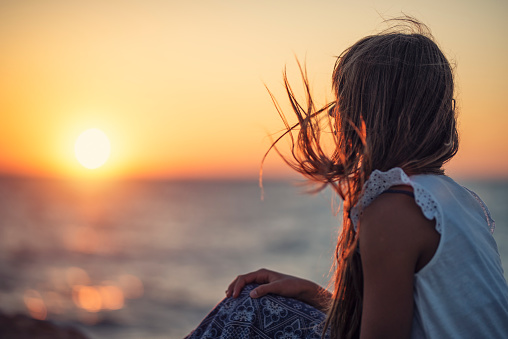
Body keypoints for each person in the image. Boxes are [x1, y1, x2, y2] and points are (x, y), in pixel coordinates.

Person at [185, 17, 508, 339]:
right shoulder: (456, 199)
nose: (334, 115)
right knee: (258, 300)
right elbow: (416, 321)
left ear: (364, 113)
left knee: (246, 307)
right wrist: (318, 296)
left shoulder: (396, 210)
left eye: (342, 102)